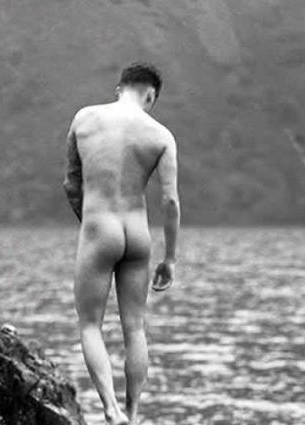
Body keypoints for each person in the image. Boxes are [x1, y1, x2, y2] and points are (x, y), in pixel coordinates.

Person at [63, 62, 180, 425]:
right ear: (151, 95)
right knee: (135, 327)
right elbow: (170, 201)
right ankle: (133, 413)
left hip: (101, 228)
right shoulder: (161, 135)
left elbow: (71, 184)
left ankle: (112, 410)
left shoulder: (84, 119)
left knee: (89, 324)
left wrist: (91, 227)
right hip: (138, 232)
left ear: (119, 89)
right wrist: (170, 258)